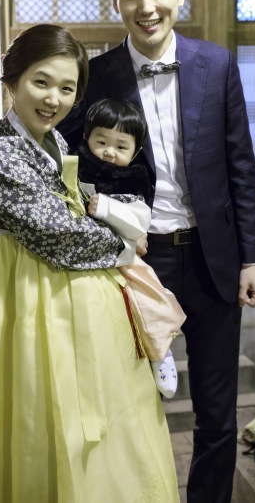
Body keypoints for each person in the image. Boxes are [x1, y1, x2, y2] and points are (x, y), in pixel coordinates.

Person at [0, 24, 180, 503]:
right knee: (25, 418)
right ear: (12, 80)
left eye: (67, 88)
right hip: (14, 300)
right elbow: (60, 235)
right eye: (41, 82)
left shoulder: (54, 143)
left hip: (51, 297)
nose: (53, 99)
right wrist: (126, 242)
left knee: (77, 423)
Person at [58, 0, 255, 503]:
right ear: (115, 2)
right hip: (134, 264)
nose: (146, 6)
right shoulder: (95, 74)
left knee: (217, 412)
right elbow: (66, 161)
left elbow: (240, 164)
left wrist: (253, 257)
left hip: (212, 258)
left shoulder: (217, 64)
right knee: (127, 406)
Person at [77, 97, 186, 398]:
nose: (109, 152)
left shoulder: (134, 179)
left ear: (136, 152)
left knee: (149, 301)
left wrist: (105, 208)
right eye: (101, 142)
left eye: (121, 147)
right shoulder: (75, 168)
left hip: (125, 259)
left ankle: (161, 352)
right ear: (86, 137)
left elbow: (139, 223)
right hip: (84, 259)